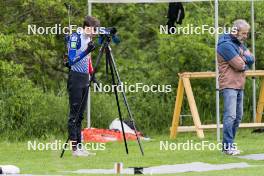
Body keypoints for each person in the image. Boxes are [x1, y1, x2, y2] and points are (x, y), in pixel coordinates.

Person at [217, 19, 254, 155]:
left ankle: (230, 144)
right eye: (244, 33)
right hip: (229, 85)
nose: (245, 36)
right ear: (235, 31)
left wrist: (245, 58)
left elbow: (251, 59)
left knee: (238, 117)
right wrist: (244, 58)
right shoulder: (225, 45)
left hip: (239, 85)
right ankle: (227, 147)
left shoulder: (238, 44)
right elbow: (240, 65)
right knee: (230, 116)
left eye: (247, 33)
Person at [67, 16, 100, 157]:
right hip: (75, 77)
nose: (95, 33)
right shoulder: (76, 38)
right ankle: (74, 150)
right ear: (87, 27)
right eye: (94, 30)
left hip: (85, 77)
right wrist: (87, 51)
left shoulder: (89, 38)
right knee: (74, 115)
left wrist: (93, 75)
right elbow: (71, 60)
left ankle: (80, 146)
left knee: (80, 115)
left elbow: (88, 60)